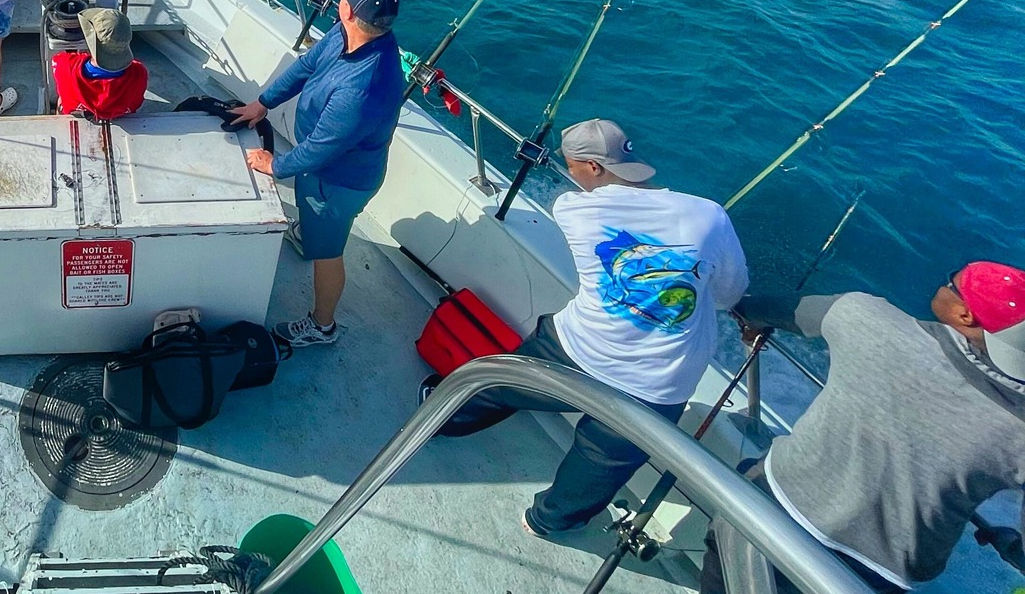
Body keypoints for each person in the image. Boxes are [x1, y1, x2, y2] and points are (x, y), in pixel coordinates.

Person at [435, 119, 748, 540]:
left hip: (580, 350)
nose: (571, 174)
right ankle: (549, 521)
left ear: (594, 168)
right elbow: (730, 293)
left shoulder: (573, 208)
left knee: (499, 381)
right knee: (604, 460)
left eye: (573, 166)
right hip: (661, 382)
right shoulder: (710, 215)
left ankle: (445, 418)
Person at [700, 261, 1025, 594]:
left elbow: (767, 309)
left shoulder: (865, 317)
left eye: (950, 284)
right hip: (868, 581)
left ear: (964, 316)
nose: (942, 285)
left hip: (766, 517)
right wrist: (1012, 547)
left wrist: (750, 317)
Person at [228, 0, 403, 349]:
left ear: (350, 12)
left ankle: (322, 326)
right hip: (321, 172)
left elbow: (321, 148)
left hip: (338, 183)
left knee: (327, 253)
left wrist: (273, 165)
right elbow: (305, 67)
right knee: (314, 226)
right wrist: (263, 103)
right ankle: (308, 233)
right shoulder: (345, 37)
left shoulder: (364, 87)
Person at [52, 7, 147, 120]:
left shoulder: (64, 65)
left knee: (61, 99)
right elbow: (136, 103)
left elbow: (57, 59)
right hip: (120, 114)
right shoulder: (139, 72)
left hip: (76, 113)